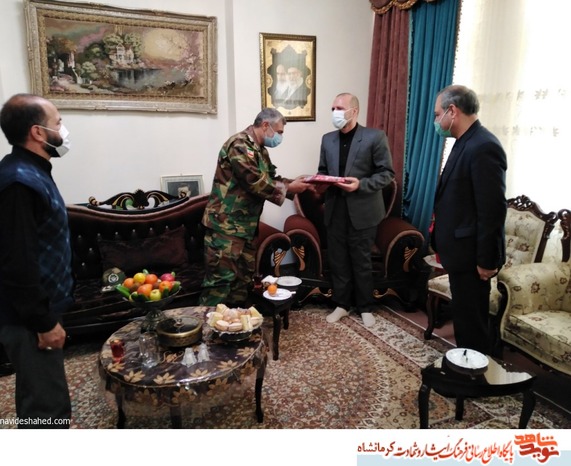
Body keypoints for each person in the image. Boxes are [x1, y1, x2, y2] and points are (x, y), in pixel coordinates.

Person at [0, 93, 74, 428]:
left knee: (40, 389)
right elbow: (17, 262)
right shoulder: (18, 182)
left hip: (38, 309)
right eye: (58, 122)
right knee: (46, 407)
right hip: (27, 318)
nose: (64, 130)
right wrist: (43, 322)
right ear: (38, 132)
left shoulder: (31, 170)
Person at [199, 108, 313, 307]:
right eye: (280, 132)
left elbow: (270, 179)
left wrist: (297, 184)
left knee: (242, 283)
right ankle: (206, 325)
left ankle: (234, 324)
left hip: (246, 228)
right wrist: (289, 188)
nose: (280, 137)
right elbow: (254, 181)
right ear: (266, 125)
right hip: (225, 228)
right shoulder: (239, 144)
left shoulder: (260, 150)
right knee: (219, 285)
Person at [431, 84, 507, 354]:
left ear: (452, 111)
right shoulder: (464, 141)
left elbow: (492, 210)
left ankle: (475, 373)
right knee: (463, 318)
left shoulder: (484, 146)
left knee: (472, 323)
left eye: (437, 114)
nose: (436, 121)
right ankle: (464, 366)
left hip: (473, 256)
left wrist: (487, 260)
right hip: (460, 253)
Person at [318, 93, 395, 328]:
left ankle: (365, 306)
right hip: (335, 209)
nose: (335, 112)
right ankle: (341, 304)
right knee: (338, 260)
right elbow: (322, 170)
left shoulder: (374, 137)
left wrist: (360, 184)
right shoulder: (327, 139)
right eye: (333, 108)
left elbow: (386, 173)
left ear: (354, 111)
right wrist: (318, 181)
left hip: (363, 210)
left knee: (361, 261)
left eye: (340, 108)